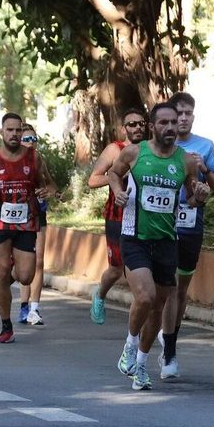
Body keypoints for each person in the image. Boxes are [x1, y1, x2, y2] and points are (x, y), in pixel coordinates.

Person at [105, 102, 210, 390]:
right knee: (147, 296)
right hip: (135, 236)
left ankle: (140, 365)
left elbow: (189, 199)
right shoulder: (135, 153)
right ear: (152, 126)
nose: (170, 128)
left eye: (174, 122)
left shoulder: (186, 161)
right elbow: (113, 174)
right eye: (163, 122)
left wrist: (200, 195)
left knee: (159, 306)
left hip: (167, 239)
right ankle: (129, 343)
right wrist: (117, 191)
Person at [157, 92, 214, 379]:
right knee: (169, 287)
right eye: (178, 114)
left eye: (187, 114)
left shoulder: (205, 146)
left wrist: (205, 169)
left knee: (181, 289)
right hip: (162, 224)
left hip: (190, 223)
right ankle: (169, 351)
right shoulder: (160, 147)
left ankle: (168, 333)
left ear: (192, 117)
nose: (182, 119)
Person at [0, 112, 55, 343]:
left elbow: (49, 183)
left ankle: (3, 280)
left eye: (18, 130)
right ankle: (6, 326)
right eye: (10, 130)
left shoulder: (33, 158)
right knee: (2, 270)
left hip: (26, 223)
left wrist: (49, 191)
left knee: (26, 276)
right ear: (2, 132)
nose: (15, 134)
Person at [86, 107, 148, 325]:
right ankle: (100, 294)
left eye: (141, 123)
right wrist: (120, 173)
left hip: (144, 218)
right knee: (116, 269)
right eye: (132, 124)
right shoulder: (115, 149)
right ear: (124, 129)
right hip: (117, 216)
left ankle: (140, 319)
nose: (138, 127)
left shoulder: (151, 150)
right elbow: (93, 180)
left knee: (140, 269)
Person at [17, 123, 49, 326]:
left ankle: (34, 309)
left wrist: (47, 191)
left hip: (38, 215)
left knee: (38, 261)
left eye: (33, 139)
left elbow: (49, 184)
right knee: (23, 263)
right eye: (26, 139)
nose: (31, 143)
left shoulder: (40, 161)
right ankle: (23, 305)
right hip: (18, 218)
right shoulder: (11, 162)